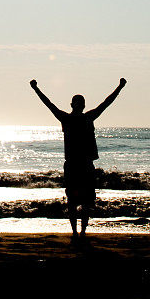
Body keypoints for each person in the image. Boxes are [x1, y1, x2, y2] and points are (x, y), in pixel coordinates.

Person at [30, 77, 127, 239]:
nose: (79, 105)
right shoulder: (76, 118)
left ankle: (79, 231)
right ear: (79, 105)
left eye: (79, 103)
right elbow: (49, 104)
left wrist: (119, 87)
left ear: (76, 105)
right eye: (79, 102)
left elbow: (106, 103)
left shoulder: (76, 118)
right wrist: (36, 89)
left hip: (80, 165)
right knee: (78, 201)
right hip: (78, 165)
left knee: (81, 202)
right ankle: (78, 231)